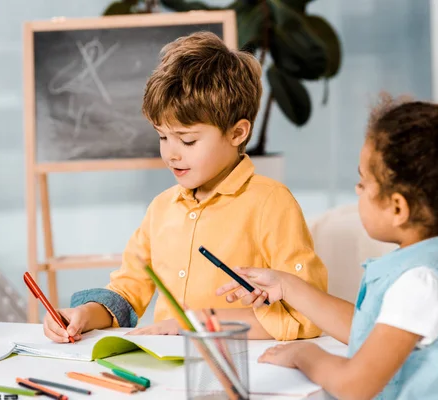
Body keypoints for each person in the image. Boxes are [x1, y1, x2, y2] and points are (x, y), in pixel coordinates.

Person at [217, 69, 438, 399]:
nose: (356, 190)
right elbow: (367, 330)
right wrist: (287, 286)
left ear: (397, 208)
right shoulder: (436, 261)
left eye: (363, 183)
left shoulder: (420, 283)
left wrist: (303, 355)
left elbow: (355, 386)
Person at [42, 31, 327, 343]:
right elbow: (126, 291)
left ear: (237, 133)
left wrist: (193, 323)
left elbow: (306, 314)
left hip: (243, 370)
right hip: (171, 371)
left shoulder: (271, 203)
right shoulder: (162, 209)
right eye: (163, 137)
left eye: (187, 140)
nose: (171, 153)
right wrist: (85, 314)